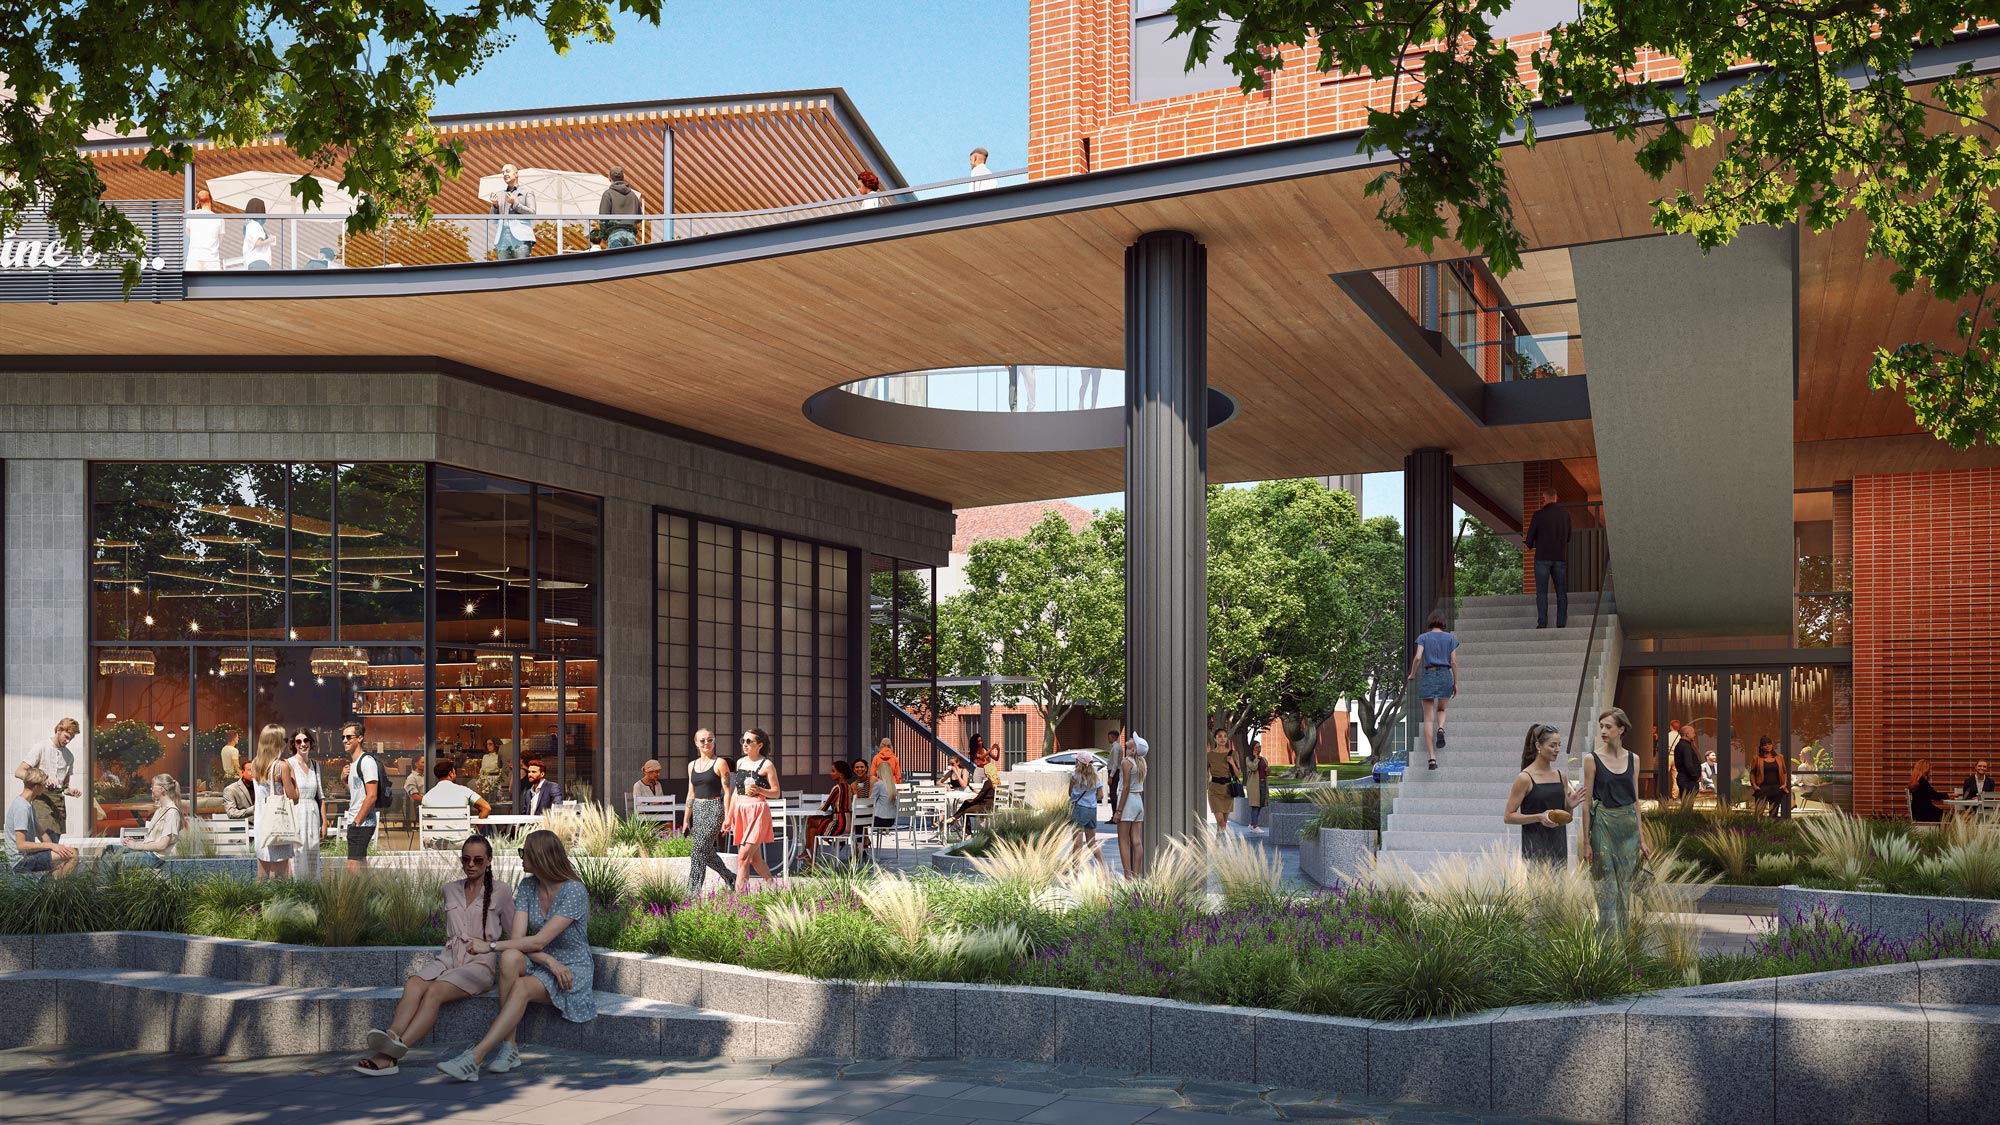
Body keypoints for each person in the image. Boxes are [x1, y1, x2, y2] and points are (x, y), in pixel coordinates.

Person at [437, 830, 593, 1081]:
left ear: (540, 856)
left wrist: (489, 946)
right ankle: (509, 1048)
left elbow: (540, 939)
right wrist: (549, 960)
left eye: (524, 853)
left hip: (572, 967)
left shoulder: (574, 891)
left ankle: (476, 1056)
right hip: (545, 960)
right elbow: (518, 941)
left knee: (519, 985)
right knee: (509, 956)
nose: (520, 858)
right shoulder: (528, 886)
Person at [354, 834, 516, 1075]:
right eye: (466, 859)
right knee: (414, 983)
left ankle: (390, 1056)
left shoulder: (501, 891)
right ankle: (392, 1034)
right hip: (448, 958)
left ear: (489, 861)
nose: (471, 865)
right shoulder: (450, 889)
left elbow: (515, 934)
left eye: (478, 860)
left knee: (434, 991)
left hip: (479, 965)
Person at [1577, 708, 1647, 933]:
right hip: (1603, 826)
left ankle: (1623, 942)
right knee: (1607, 887)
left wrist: (1642, 840)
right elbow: (1586, 803)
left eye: (1609, 726)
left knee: (1624, 889)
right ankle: (1607, 943)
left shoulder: (1633, 759)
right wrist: (1587, 842)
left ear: (1621, 729)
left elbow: (1636, 802)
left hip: (1628, 830)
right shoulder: (1592, 759)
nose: (1604, 731)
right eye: (1602, 727)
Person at [1504, 724, 1584, 868]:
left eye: (1559, 745)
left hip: (1559, 847)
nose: (1557, 750)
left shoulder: (1561, 776)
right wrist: (1539, 817)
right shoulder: (1525, 778)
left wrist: (1569, 808)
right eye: (1553, 745)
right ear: (1538, 746)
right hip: (1535, 848)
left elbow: (1563, 820)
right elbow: (1508, 816)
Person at [684, 729, 735, 896]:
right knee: (707, 852)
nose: (707, 743)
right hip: (697, 810)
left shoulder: (720, 763)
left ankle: (692, 894)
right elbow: (691, 793)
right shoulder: (692, 766)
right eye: (703, 740)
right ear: (696, 743)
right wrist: (686, 820)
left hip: (714, 808)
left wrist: (728, 817)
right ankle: (730, 877)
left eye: (710, 740)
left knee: (698, 850)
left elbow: (727, 792)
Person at [729, 729, 781, 889]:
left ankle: (739, 901)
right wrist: (728, 817)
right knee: (754, 859)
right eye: (743, 741)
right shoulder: (740, 762)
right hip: (741, 811)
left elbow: (776, 792)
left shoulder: (767, 765)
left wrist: (759, 790)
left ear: (759, 745)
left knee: (743, 857)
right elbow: (736, 792)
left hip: (758, 812)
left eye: (749, 741)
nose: (745, 744)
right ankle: (774, 889)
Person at [1406, 612, 1459, 769]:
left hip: (1429, 674)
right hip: (1445, 675)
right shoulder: (1451, 639)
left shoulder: (1423, 637)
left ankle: (1432, 758)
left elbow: (1417, 658)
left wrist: (1412, 674)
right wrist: (1455, 683)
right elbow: (1454, 662)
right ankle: (1441, 728)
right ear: (1443, 623)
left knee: (1428, 719)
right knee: (1441, 709)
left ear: (1430, 622)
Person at [15, 717, 82, 840]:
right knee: (49, 840)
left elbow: (65, 786)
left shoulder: (69, 756)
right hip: (41, 798)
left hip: (58, 802)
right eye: (66, 737)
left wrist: (70, 791)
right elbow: (19, 772)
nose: (68, 741)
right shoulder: (41, 747)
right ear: (58, 730)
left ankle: (48, 859)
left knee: (55, 841)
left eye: (71, 739)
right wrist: (42, 780)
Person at [6, 769, 77, 876]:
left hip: (28, 856)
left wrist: (55, 848)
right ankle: (61, 890)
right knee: (73, 854)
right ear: (36, 786)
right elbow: (21, 845)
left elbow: (41, 833)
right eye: (44, 785)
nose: (45, 788)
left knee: (63, 855)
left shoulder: (28, 804)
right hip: (20, 862)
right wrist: (52, 846)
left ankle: (53, 889)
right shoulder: (21, 808)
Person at [105, 774, 185, 868]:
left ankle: (107, 881)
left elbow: (162, 845)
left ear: (162, 789)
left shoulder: (171, 812)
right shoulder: (160, 810)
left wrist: (136, 845)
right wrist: (134, 842)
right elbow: (154, 839)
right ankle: (105, 882)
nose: (151, 789)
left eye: (152, 786)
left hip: (158, 857)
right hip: (149, 852)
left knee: (118, 860)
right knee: (109, 850)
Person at [251, 723, 299, 880]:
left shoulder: (255, 764)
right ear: (277, 742)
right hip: (277, 824)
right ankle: (279, 904)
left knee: (262, 875)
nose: (286, 742)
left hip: (261, 824)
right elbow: (294, 797)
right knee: (281, 874)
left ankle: (256, 904)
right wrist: (293, 774)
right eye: (284, 739)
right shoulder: (281, 766)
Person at [1524, 488, 1572, 629]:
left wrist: (1528, 545)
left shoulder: (1539, 515)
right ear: (1556, 497)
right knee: (1561, 592)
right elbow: (1568, 537)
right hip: (1559, 557)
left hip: (1542, 557)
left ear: (1544, 498)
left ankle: (1542, 622)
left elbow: (1531, 536)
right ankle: (1561, 622)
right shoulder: (1565, 514)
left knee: (1541, 592)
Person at [796, 760, 855, 866]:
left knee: (811, 819)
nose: (830, 773)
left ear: (840, 774)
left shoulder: (837, 788)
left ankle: (806, 851)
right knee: (813, 829)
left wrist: (817, 810)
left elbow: (825, 807)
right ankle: (811, 862)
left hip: (840, 824)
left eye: (833, 771)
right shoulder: (849, 787)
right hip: (849, 823)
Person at [343, 721, 382, 871]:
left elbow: (372, 796)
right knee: (361, 867)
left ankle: (357, 895)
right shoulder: (354, 763)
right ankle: (370, 894)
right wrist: (343, 780)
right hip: (356, 821)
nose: (345, 740)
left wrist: (357, 821)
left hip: (362, 822)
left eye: (349, 737)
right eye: (343, 737)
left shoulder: (367, 762)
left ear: (359, 738)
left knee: (352, 868)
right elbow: (357, 793)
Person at [1113, 726, 1147, 879]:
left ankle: (1128, 877)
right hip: (1138, 801)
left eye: (1133, 740)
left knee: (1123, 840)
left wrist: (1118, 811)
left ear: (1134, 748)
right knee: (1137, 841)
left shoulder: (1127, 762)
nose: (1130, 739)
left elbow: (1125, 787)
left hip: (1128, 803)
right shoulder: (1141, 763)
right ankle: (1136, 875)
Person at [288, 729, 326, 859]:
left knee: (312, 850)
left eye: (306, 740)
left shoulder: (315, 765)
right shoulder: (289, 764)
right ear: (294, 744)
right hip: (295, 812)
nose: (303, 744)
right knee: (297, 851)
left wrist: (324, 822)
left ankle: (311, 880)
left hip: (313, 813)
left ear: (310, 742)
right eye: (299, 741)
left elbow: (320, 795)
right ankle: (297, 879)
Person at [486, 164, 537, 260]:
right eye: (503, 172)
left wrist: (514, 204)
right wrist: (495, 205)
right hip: (502, 239)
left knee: (521, 270)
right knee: (503, 271)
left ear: (516, 173)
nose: (505, 174)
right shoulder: (499, 194)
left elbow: (532, 213)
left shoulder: (527, 192)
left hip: (521, 239)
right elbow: (493, 219)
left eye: (507, 171)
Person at [425, 760, 492, 818]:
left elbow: (428, 824)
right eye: (454, 772)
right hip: (462, 832)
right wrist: (476, 829)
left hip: (437, 833)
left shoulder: (427, 797)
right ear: (451, 774)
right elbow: (486, 808)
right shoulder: (464, 791)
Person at [596, 167, 643, 248]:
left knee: (616, 260)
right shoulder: (632, 195)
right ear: (624, 177)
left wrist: (604, 235)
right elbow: (639, 217)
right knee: (632, 260)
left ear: (609, 178)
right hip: (630, 234)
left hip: (614, 234)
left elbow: (603, 218)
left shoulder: (608, 194)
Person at [1069, 756, 1106, 861]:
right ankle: (1103, 868)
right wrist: (1091, 798)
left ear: (1079, 763)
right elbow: (1101, 796)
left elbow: (1070, 793)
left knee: (1077, 845)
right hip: (1092, 811)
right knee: (1092, 843)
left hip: (1079, 809)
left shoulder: (1075, 776)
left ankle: (1075, 873)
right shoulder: (1095, 777)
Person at [1204, 729, 1238, 835]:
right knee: (1220, 821)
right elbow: (1203, 772)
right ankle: (1218, 845)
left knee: (1223, 824)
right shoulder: (1209, 755)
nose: (1222, 739)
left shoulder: (1233, 754)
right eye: (1219, 736)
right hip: (1214, 790)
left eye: (1224, 736)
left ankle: (1218, 845)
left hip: (1228, 790)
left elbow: (1238, 774)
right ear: (1215, 739)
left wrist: (1232, 763)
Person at [1749, 737, 1791, 819]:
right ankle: (1758, 830)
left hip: (1776, 788)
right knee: (1758, 814)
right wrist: (1754, 785)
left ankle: (1772, 830)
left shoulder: (1779, 757)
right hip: (1762, 788)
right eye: (1765, 745)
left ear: (1772, 745)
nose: (1767, 746)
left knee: (1773, 815)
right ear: (1761, 747)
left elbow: (1784, 772)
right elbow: (1752, 773)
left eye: (1769, 744)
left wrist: (1784, 784)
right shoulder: (1757, 758)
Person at [185, 188, 223, 271]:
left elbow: (189, 233)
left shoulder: (191, 214)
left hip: (194, 257)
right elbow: (220, 240)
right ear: (211, 201)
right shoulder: (219, 218)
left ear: (198, 202)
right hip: (212, 258)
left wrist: (195, 211)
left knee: (192, 283)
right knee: (212, 283)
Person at [238, 198, 274, 270]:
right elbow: (258, 243)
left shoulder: (248, 224)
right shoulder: (255, 225)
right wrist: (270, 239)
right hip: (259, 261)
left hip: (251, 261)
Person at [1244, 738, 1271, 834]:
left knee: (1261, 804)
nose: (1259, 748)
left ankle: (1252, 823)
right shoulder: (1249, 759)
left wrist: (1268, 771)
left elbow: (1267, 771)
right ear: (1252, 748)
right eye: (1257, 747)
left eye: (1260, 747)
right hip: (1254, 785)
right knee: (1255, 805)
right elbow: (1253, 767)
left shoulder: (1263, 759)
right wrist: (1255, 758)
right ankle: (1255, 826)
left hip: (1263, 783)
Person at [1910, 759, 1949, 823]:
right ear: (1925, 769)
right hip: (1925, 812)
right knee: (1950, 817)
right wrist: (1947, 795)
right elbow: (1934, 795)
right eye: (1929, 769)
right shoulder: (1922, 782)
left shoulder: (1915, 782)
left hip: (1918, 811)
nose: (1930, 771)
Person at [1672, 721, 1702, 803]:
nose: (1694, 735)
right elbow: (1688, 764)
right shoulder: (1685, 746)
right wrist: (1695, 776)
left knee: (1686, 803)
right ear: (1687, 734)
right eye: (1693, 733)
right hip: (1688, 780)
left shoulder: (1682, 745)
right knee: (1688, 804)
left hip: (1686, 778)